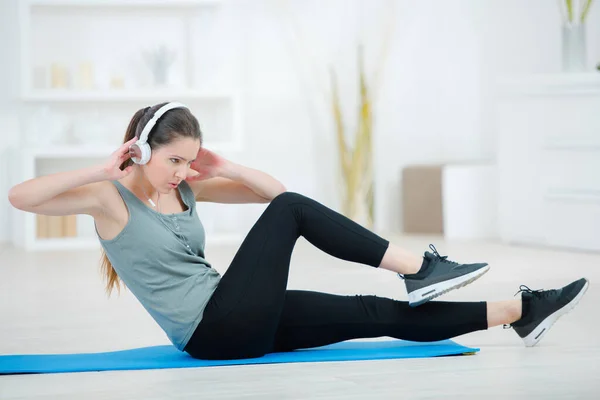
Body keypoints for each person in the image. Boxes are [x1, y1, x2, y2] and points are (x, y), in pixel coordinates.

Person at [8, 102, 589, 360]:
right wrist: (106, 167)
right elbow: (20, 197)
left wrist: (225, 167)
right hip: (212, 330)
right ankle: (422, 269)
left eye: (191, 161)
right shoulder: (109, 200)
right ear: (140, 150)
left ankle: (520, 311)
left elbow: (273, 190)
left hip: (239, 315)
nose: (185, 173)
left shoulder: (184, 186)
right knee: (290, 213)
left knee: (369, 312)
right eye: (174, 161)